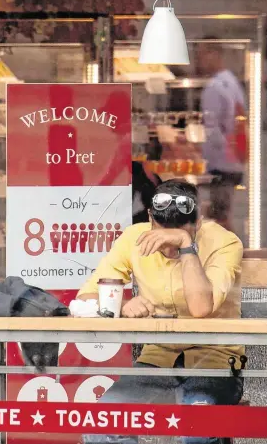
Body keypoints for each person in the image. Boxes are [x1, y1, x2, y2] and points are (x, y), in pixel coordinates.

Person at [77, 179, 244, 444]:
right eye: (161, 234)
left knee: (197, 430)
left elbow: (201, 308)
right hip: (158, 360)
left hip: (215, 363)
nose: (168, 248)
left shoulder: (224, 242)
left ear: (198, 222)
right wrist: (120, 304)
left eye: (175, 238)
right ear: (150, 218)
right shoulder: (134, 238)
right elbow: (86, 296)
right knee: (102, 424)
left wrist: (186, 246)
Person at [196, 37, 247, 232]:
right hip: (233, 161)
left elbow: (212, 130)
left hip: (220, 164)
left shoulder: (215, 87)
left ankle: (228, 256)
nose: (198, 61)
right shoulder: (233, 83)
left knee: (219, 220)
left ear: (213, 54)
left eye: (200, 55)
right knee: (222, 215)